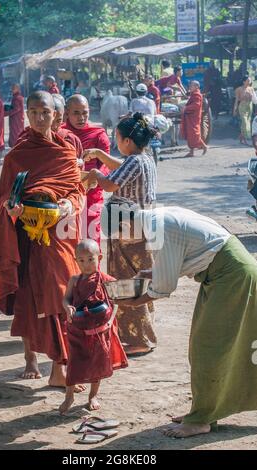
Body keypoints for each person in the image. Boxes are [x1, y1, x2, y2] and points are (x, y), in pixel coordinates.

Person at [115, 204, 257, 438]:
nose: (122, 241)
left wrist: (133, 302)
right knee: (202, 345)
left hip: (232, 276)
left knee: (209, 347)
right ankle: (202, 411)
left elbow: (164, 287)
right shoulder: (157, 217)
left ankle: (200, 420)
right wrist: (151, 273)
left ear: (124, 224)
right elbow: (184, 258)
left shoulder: (155, 227)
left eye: (118, 235)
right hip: (225, 273)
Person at [0, 90, 85, 389]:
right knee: (28, 295)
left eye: (45, 112)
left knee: (60, 294)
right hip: (26, 236)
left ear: (56, 115)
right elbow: (5, 196)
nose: (39, 117)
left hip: (59, 234)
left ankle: (59, 367)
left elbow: (76, 190)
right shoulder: (17, 155)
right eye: (33, 112)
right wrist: (13, 211)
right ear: (26, 115)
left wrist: (69, 205)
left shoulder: (66, 152)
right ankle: (31, 358)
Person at [83, 112, 158, 356]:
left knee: (127, 282)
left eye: (117, 139)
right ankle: (142, 334)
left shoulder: (134, 162)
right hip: (142, 229)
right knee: (141, 280)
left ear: (127, 141)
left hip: (129, 231)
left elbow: (109, 184)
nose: (116, 143)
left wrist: (94, 175)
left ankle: (139, 338)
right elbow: (121, 168)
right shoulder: (144, 159)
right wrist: (99, 155)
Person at [60, 239, 128, 414]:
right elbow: (66, 298)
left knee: (97, 364)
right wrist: (67, 306)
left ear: (100, 258)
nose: (86, 264)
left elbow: (120, 296)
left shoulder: (105, 280)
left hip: (100, 332)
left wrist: (111, 317)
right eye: (81, 260)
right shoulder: (74, 280)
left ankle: (93, 396)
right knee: (74, 364)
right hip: (77, 330)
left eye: (90, 259)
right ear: (76, 261)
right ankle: (69, 397)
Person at [62, 94, 110, 245]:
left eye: (85, 113)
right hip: (66, 191)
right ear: (66, 113)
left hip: (91, 192)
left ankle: (93, 268)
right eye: (76, 113)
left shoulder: (98, 134)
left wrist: (96, 177)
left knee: (91, 235)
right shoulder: (59, 133)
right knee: (67, 236)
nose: (81, 117)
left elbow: (105, 164)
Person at [180, 80, 208, 157]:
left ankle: (204, 146)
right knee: (190, 134)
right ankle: (191, 151)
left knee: (194, 134)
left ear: (197, 87)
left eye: (191, 86)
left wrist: (186, 108)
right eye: (190, 85)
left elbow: (196, 105)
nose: (190, 87)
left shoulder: (197, 95)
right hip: (190, 116)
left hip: (194, 116)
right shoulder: (193, 94)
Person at [234, 75, 257, 145]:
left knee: (246, 122)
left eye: (250, 80)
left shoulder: (251, 89)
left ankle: (242, 138)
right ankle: (248, 138)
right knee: (245, 122)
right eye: (248, 80)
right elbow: (236, 100)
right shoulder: (238, 89)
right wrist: (235, 109)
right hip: (242, 106)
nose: (249, 81)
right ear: (244, 81)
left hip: (250, 107)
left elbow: (255, 99)